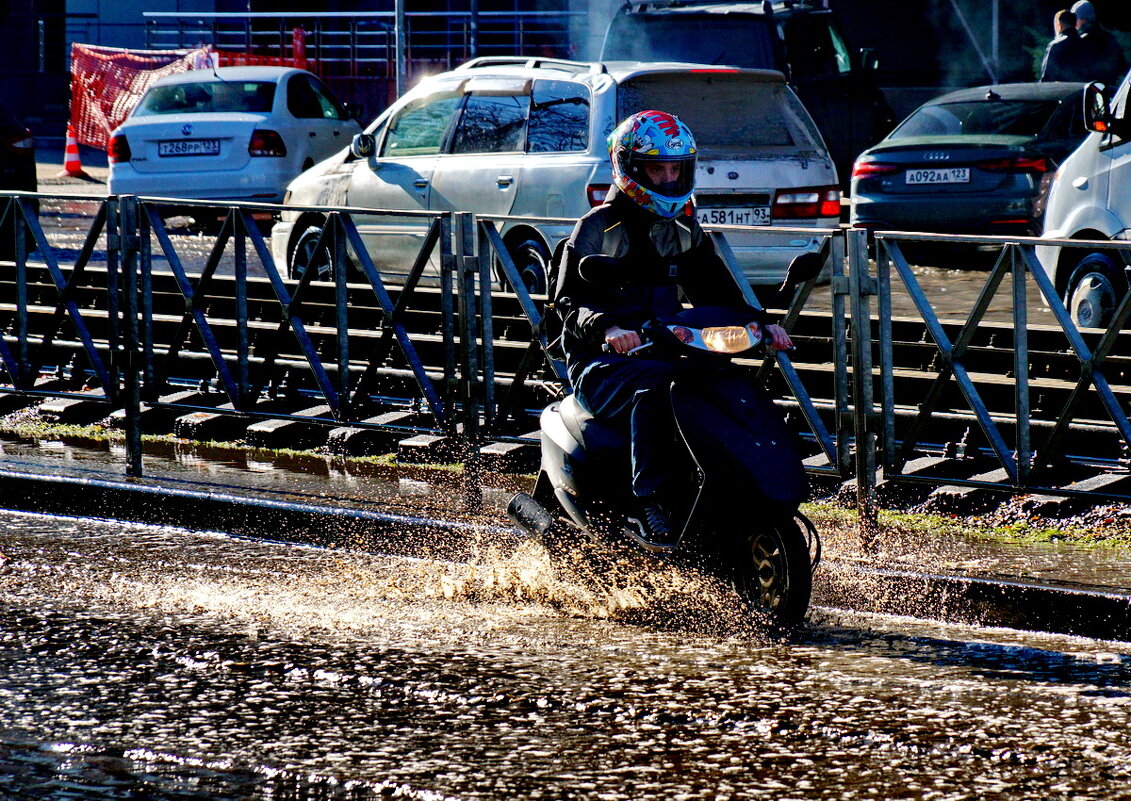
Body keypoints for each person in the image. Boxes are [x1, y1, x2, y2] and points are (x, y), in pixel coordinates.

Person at [551, 110, 793, 548]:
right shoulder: (596, 228)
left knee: (728, 381)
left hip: (666, 349)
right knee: (658, 387)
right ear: (628, 167)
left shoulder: (681, 228)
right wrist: (607, 328)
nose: (666, 179)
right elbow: (570, 301)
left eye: (674, 169)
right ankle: (651, 498)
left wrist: (760, 323)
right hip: (603, 363)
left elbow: (716, 292)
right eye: (656, 168)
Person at [1071, 0, 1128, 88]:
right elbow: (1122, 67)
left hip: (1088, 92)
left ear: (1082, 20)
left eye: (1075, 19)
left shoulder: (1080, 41)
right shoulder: (1109, 38)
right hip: (1109, 91)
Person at [1039, 10, 1088, 82]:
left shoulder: (1056, 45)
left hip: (1063, 90)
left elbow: (1047, 76)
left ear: (1060, 24)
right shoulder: (1087, 43)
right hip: (1085, 89)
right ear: (1075, 24)